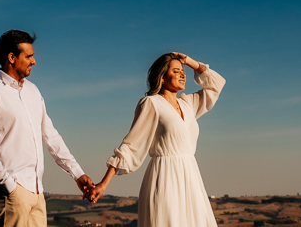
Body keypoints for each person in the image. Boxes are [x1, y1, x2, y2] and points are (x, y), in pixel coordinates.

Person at [0, 30, 96, 227]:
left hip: (36, 191)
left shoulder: (33, 91)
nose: (34, 61)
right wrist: (10, 186)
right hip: (10, 193)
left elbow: (51, 136)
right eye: (28, 56)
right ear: (11, 58)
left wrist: (77, 173)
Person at [88, 52, 225, 227]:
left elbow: (216, 85)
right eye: (176, 71)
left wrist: (189, 62)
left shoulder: (188, 104)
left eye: (182, 71)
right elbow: (130, 146)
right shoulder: (151, 103)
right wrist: (104, 183)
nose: (183, 74)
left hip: (191, 180)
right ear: (161, 77)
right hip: (165, 178)